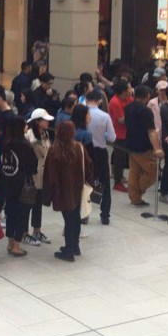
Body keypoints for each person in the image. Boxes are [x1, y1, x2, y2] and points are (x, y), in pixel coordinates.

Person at [43, 121, 93, 262]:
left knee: (69, 220)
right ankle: (74, 246)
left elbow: (49, 175)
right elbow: (89, 166)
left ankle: (69, 250)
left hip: (61, 192)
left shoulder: (54, 151)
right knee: (75, 219)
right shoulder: (79, 147)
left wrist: (48, 195)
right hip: (77, 190)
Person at [0, 118, 37, 257]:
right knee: (21, 214)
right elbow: (33, 165)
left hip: (7, 181)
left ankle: (9, 242)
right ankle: (17, 246)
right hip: (21, 184)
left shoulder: (5, 143)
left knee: (10, 212)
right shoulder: (25, 145)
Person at [124, 85, 164, 207]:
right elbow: (151, 131)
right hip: (143, 147)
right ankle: (136, 192)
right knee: (153, 171)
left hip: (130, 144)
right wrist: (157, 148)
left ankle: (134, 197)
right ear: (147, 95)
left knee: (134, 171)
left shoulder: (128, 107)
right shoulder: (146, 111)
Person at [23, 108, 54, 245]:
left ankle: (37, 230)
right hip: (31, 176)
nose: (48, 122)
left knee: (38, 205)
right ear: (37, 121)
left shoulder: (45, 134)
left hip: (43, 175)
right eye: (45, 120)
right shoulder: (29, 136)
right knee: (27, 205)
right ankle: (23, 233)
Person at [85, 90, 115, 224]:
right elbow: (112, 137)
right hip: (100, 151)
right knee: (105, 183)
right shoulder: (105, 116)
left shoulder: (81, 113)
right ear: (99, 100)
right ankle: (105, 215)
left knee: (85, 182)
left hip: (85, 151)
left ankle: (83, 214)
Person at [108, 80, 132, 192]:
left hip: (127, 133)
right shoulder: (115, 102)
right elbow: (121, 120)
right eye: (129, 88)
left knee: (124, 157)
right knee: (119, 157)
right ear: (123, 91)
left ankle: (121, 177)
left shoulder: (128, 99)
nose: (131, 89)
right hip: (118, 134)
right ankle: (117, 182)